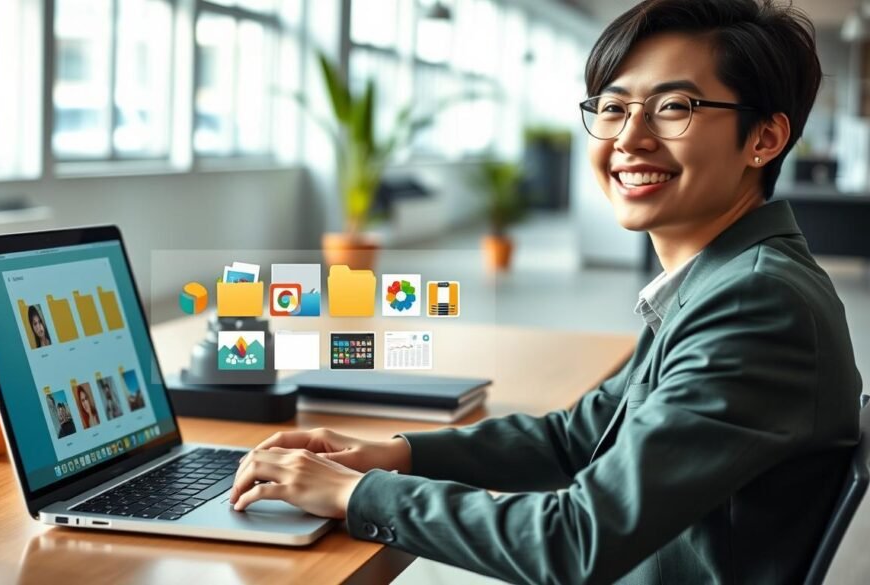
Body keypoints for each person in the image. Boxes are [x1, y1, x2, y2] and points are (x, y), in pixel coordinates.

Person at [227, 1, 863, 583]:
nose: (629, 138)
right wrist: (388, 455)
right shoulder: (718, 280)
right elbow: (581, 437)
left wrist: (351, 495)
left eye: (674, 107)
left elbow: (575, 542)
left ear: (765, 138)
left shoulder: (754, 305)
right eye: (613, 107)